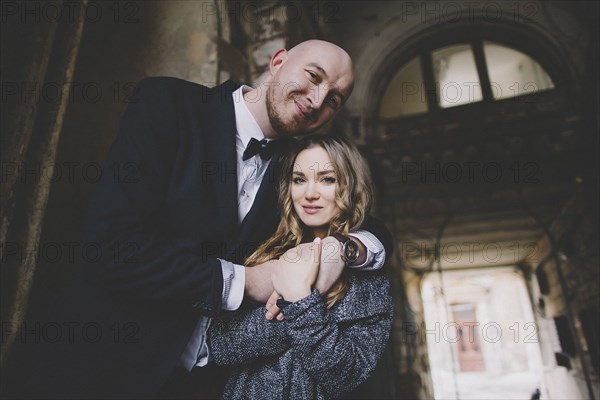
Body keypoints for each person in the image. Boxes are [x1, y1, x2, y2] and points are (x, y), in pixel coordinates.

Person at [3, 40, 393, 399]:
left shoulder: (297, 167)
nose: (317, 99)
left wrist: (342, 249)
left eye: (334, 100)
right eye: (313, 76)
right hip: (94, 364)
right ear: (278, 61)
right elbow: (110, 246)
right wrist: (245, 281)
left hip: (196, 385)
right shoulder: (168, 104)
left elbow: (367, 220)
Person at [208, 134, 394, 400]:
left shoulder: (370, 278)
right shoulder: (262, 250)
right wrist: (300, 306)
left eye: (327, 179)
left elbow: (345, 374)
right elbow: (221, 346)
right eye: (299, 179)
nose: (309, 194)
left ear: (351, 186)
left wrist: (300, 300)